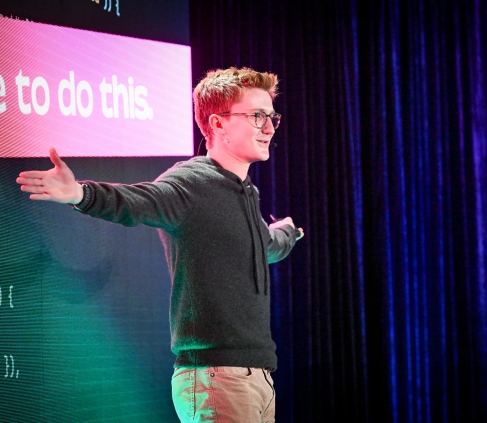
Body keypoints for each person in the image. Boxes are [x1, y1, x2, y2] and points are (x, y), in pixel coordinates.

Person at [16, 67, 303, 423]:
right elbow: (138, 200)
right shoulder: (191, 183)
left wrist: (289, 232)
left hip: (256, 377)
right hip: (216, 378)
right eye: (257, 116)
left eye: (271, 116)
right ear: (217, 124)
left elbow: (265, 246)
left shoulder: (245, 192)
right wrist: (80, 193)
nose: (270, 127)